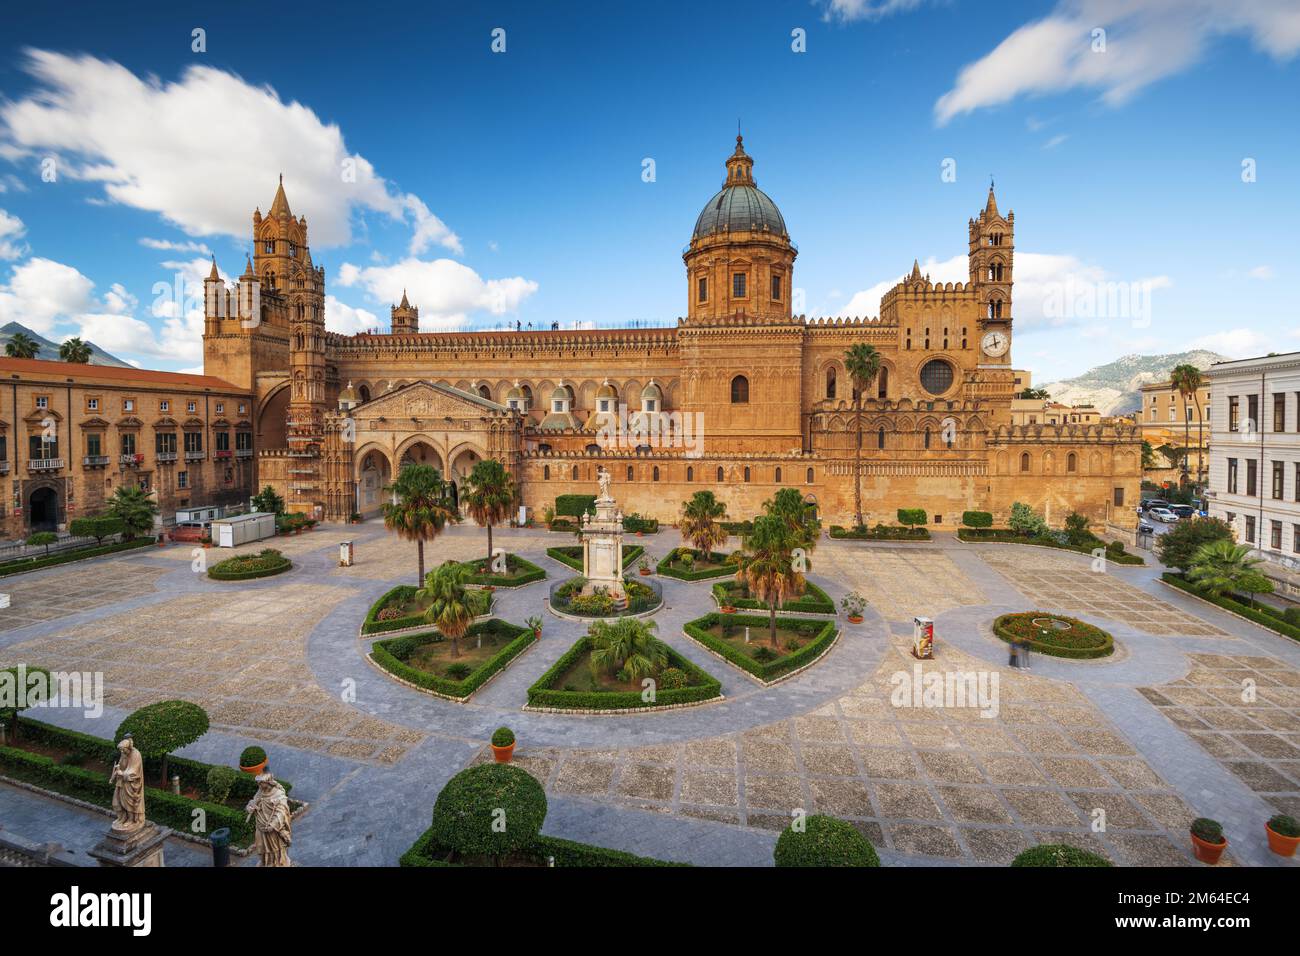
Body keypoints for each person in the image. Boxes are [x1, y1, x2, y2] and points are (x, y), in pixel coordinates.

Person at [246, 772, 293, 867]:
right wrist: (249, 807)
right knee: (263, 847)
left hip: (273, 828)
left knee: (275, 848)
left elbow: (282, 812)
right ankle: (266, 863)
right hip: (261, 825)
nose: (259, 785)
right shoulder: (260, 791)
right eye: (258, 783)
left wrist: (273, 825)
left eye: (261, 783)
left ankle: (278, 863)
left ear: (268, 782)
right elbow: (253, 801)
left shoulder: (279, 794)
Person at [109, 734, 146, 832]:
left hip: (131, 784)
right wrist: (118, 769)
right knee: (117, 801)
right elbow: (121, 764)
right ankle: (122, 818)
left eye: (123, 750)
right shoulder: (124, 753)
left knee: (129, 802)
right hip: (121, 782)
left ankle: (131, 820)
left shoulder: (136, 754)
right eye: (120, 750)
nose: (122, 752)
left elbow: (134, 770)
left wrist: (122, 773)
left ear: (128, 747)